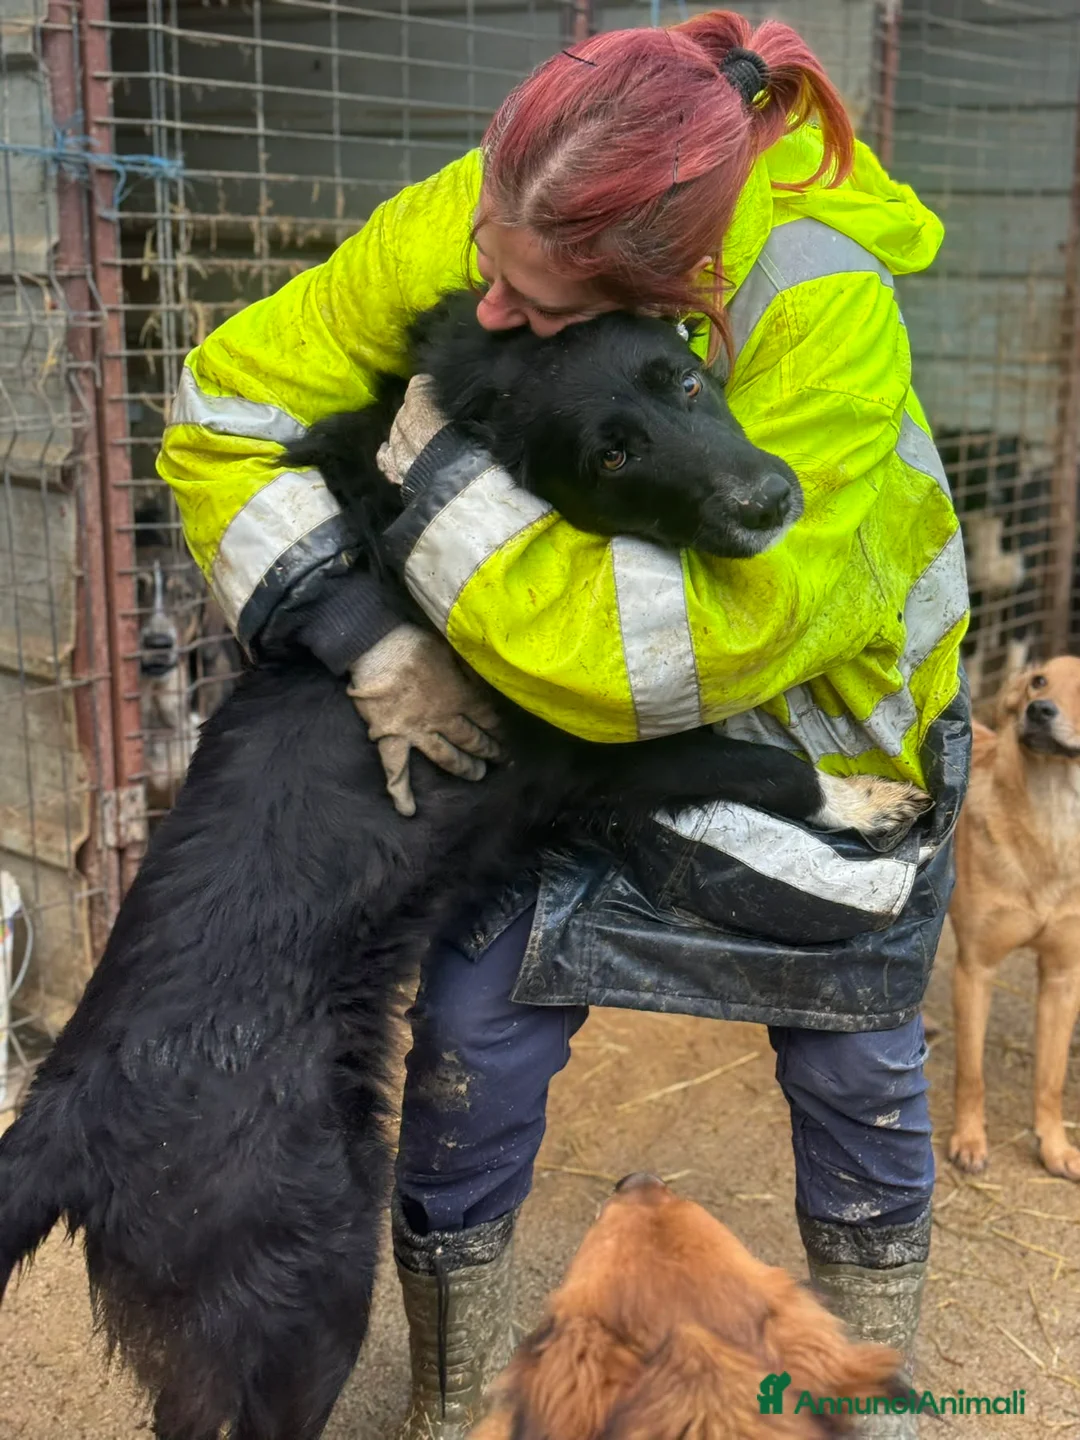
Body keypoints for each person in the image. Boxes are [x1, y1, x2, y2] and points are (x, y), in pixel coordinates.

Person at [157, 12, 970, 1438]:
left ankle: (859, 1392)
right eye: (491, 271)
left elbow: (676, 654)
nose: (490, 313)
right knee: (475, 1021)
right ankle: (460, 1394)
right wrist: (359, 630)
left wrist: (448, 489)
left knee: (855, 1046)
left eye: (537, 308)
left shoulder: (819, 305)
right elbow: (223, 409)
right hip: (545, 731)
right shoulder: (498, 225)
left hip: (818, 737)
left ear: (678, 296)